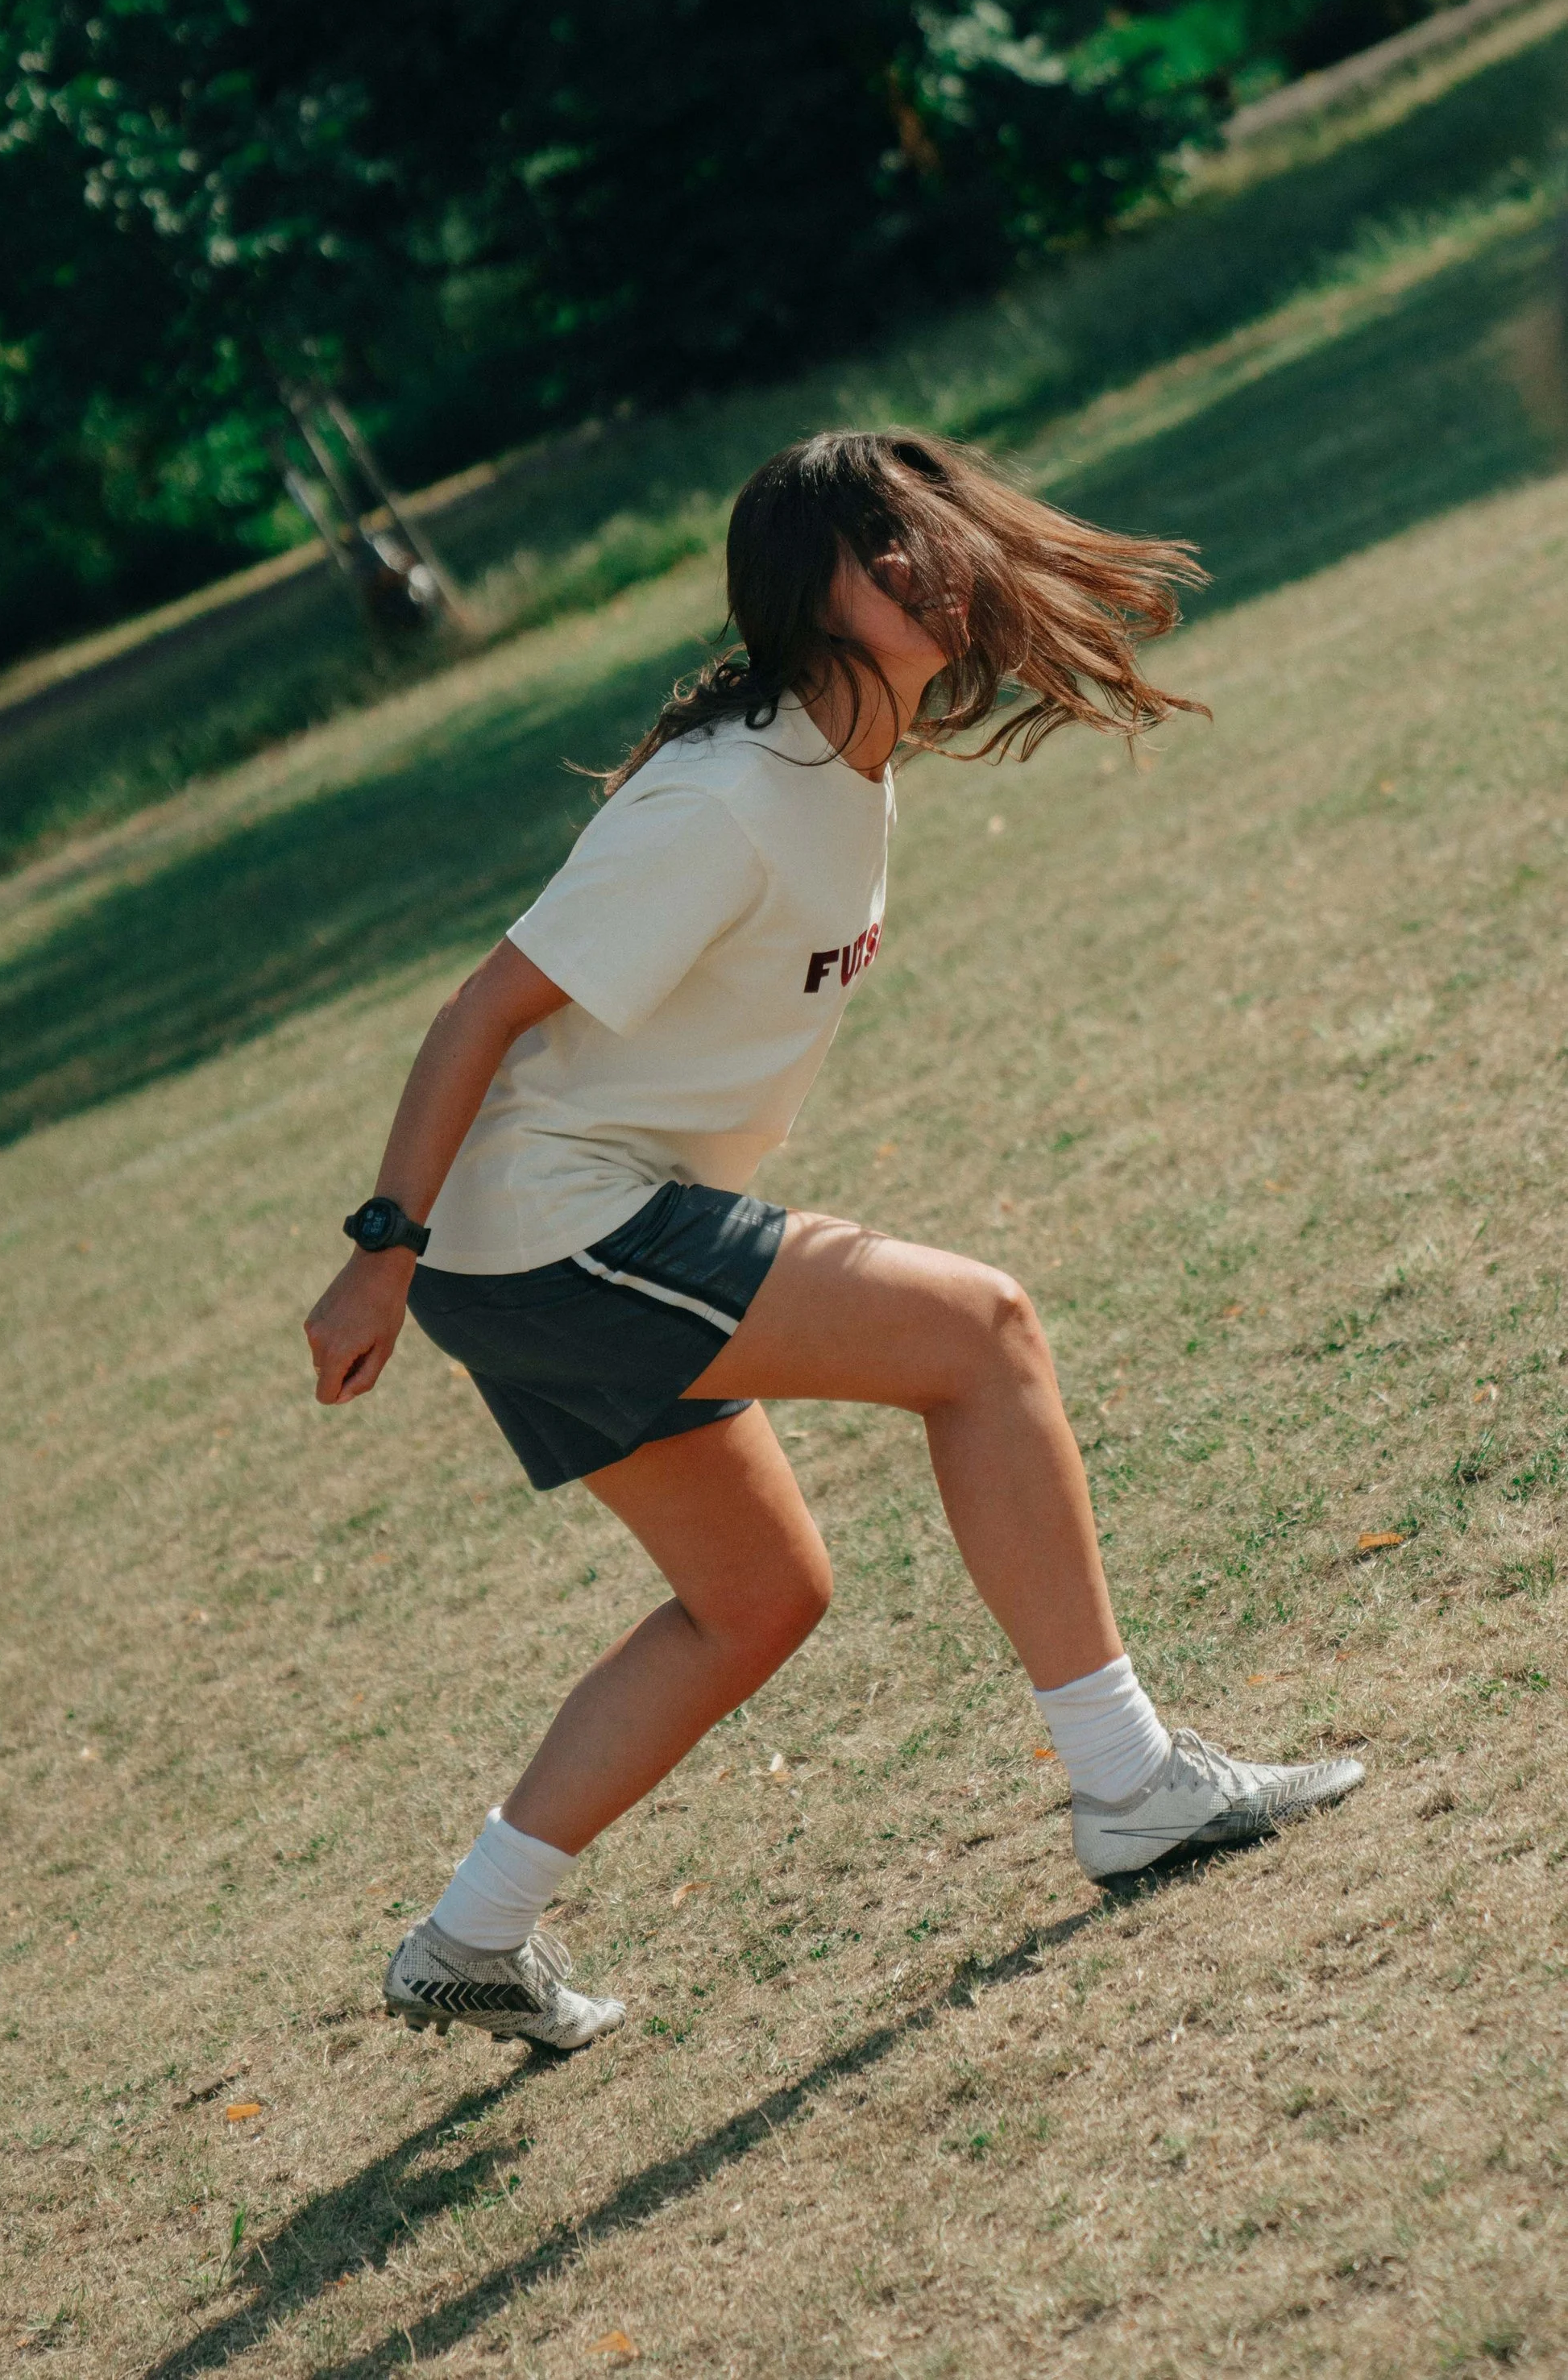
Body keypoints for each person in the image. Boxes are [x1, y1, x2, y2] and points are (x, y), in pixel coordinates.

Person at [304, 429, 1364, 2051]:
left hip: (540, 1246)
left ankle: (471, 1934)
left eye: (938, 541)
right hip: (548, 1226)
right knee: (981, 1333)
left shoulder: (832, 761)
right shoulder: (730, 798)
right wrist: (380, 1245)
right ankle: (1127, 1780)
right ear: (816, 597)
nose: (938, 573)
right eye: (894, 559)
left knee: (757, 1599)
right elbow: (481, 1008)